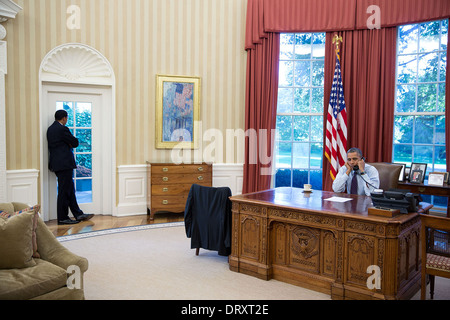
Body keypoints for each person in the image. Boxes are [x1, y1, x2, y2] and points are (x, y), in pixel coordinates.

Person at [47, 110, 94, 225]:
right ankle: (62, 218)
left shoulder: (50, 129)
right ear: (64, 118)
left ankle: (78, 214)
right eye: (67, 118)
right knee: (64, 191)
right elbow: (75, 142)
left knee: (69, 190)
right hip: (64, 164)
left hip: (57, 164)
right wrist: (70, 143)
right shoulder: (62, 129)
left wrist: (68, 143)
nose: (67, 120)